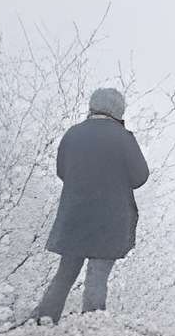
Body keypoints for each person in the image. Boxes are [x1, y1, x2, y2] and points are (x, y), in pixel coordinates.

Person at [29, 85, 149, 322]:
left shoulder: (73, 134)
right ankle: (92, 328)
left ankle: (43, 320)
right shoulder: (123, 138)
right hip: (110, 220)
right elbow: (140, 177)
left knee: (64, 275)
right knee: (97, 276)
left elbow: (62, 171)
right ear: (118, 110)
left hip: (75, 216)